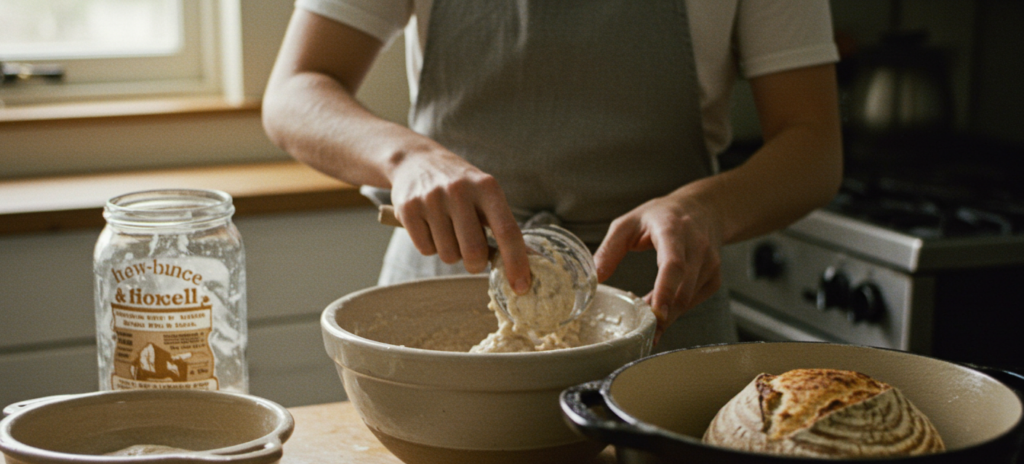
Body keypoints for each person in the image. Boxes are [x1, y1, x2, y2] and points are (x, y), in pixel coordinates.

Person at [262, 0, 843, 349]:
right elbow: (296, 89)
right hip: (445, 294)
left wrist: (708, 209)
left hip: (661, 314)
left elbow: (812, 142)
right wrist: (406, 158)